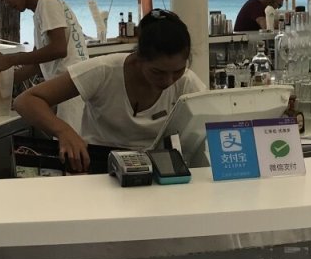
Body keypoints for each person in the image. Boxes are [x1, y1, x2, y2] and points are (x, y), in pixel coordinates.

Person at [14, 9, 206, 173]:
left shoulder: (186, 82)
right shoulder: (104, 71)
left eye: (177, 71)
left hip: (156, 169)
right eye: (158, 72)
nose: (168, 81)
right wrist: (64, 131)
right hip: (97, 166)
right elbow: (26, 101)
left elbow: (212, 123)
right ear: (139, 57)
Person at [0, 0, 89, 130]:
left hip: (71, 90)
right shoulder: (41, 10)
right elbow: (37, 65)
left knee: (71, 142)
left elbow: (59, 49)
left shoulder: (47, 3)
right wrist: (0, 84)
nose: (6, 4)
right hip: (70, 87)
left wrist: (11, 59)